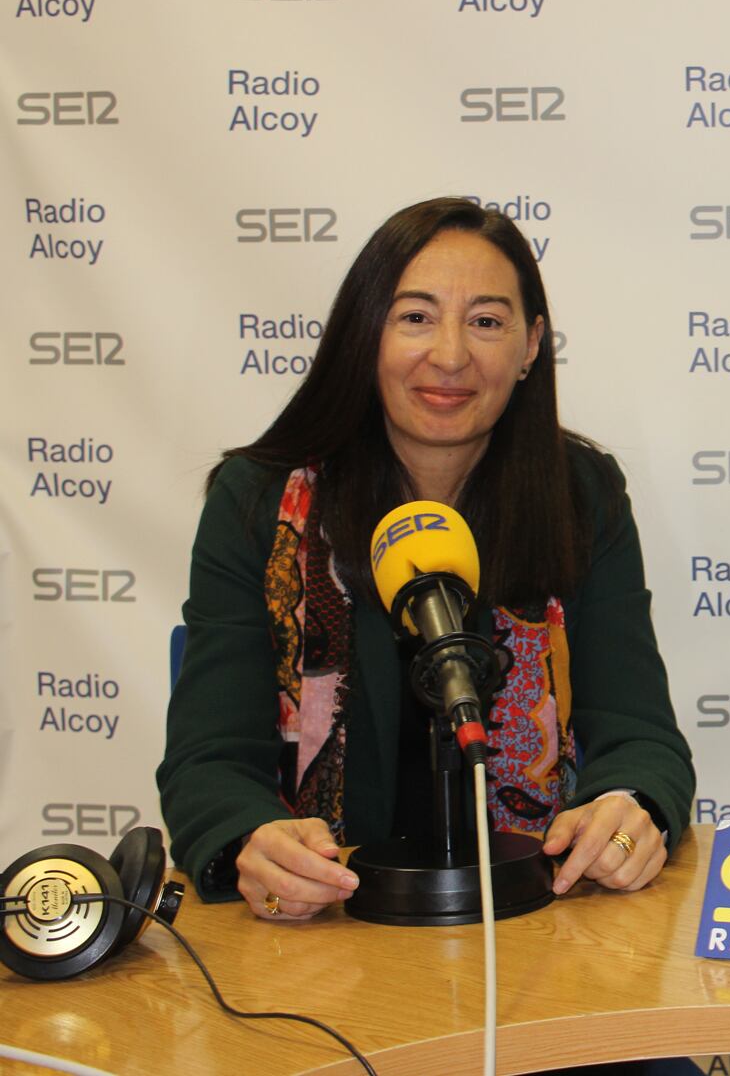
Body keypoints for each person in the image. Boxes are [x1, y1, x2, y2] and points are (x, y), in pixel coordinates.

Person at [158, 197, 694, 921]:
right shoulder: (258, 501)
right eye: (414, 317)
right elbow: (208, 760)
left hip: (535, 913)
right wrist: (254, 839)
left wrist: (629, 806)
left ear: (532, 344)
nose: (449, 355)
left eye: (486, 321)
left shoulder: (580, 494)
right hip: (327, 925)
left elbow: (640, 733)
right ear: (365, 334)